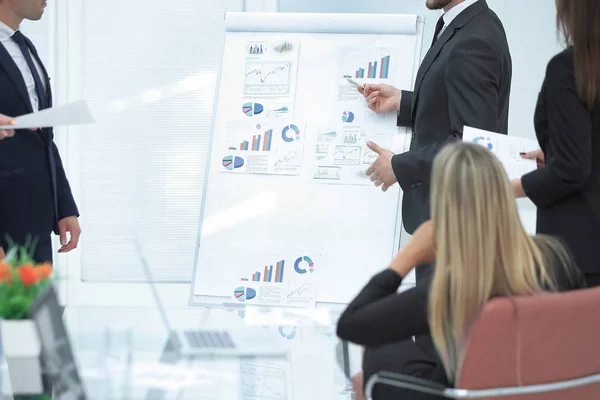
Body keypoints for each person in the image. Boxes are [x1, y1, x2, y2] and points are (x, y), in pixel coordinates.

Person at [337, 142, 586, 399]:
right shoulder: (556, 256)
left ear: (443, 208)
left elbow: (350, 325)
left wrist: (407, 257)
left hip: (472, 391)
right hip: (546, 386)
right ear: (504, 193)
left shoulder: (448, 290)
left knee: (380, 345)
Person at [361, 0, 511, 282]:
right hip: (448, 225)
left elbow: (474, 145)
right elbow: (454, 109)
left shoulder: (474, 38)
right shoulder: (465, 25)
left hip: (456, 228)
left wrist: (399, 166)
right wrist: (404, 102)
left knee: (442, 326)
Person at [511, 0, 600, 289]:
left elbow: (572, 169)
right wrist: (557, 150)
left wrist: (503, 187)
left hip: (577, 254)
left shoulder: (570, 67)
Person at [0, 0, 80, 262]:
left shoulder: (23, 46)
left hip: (34, 222)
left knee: (36, 303)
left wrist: (63, 205)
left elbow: (42, 138)